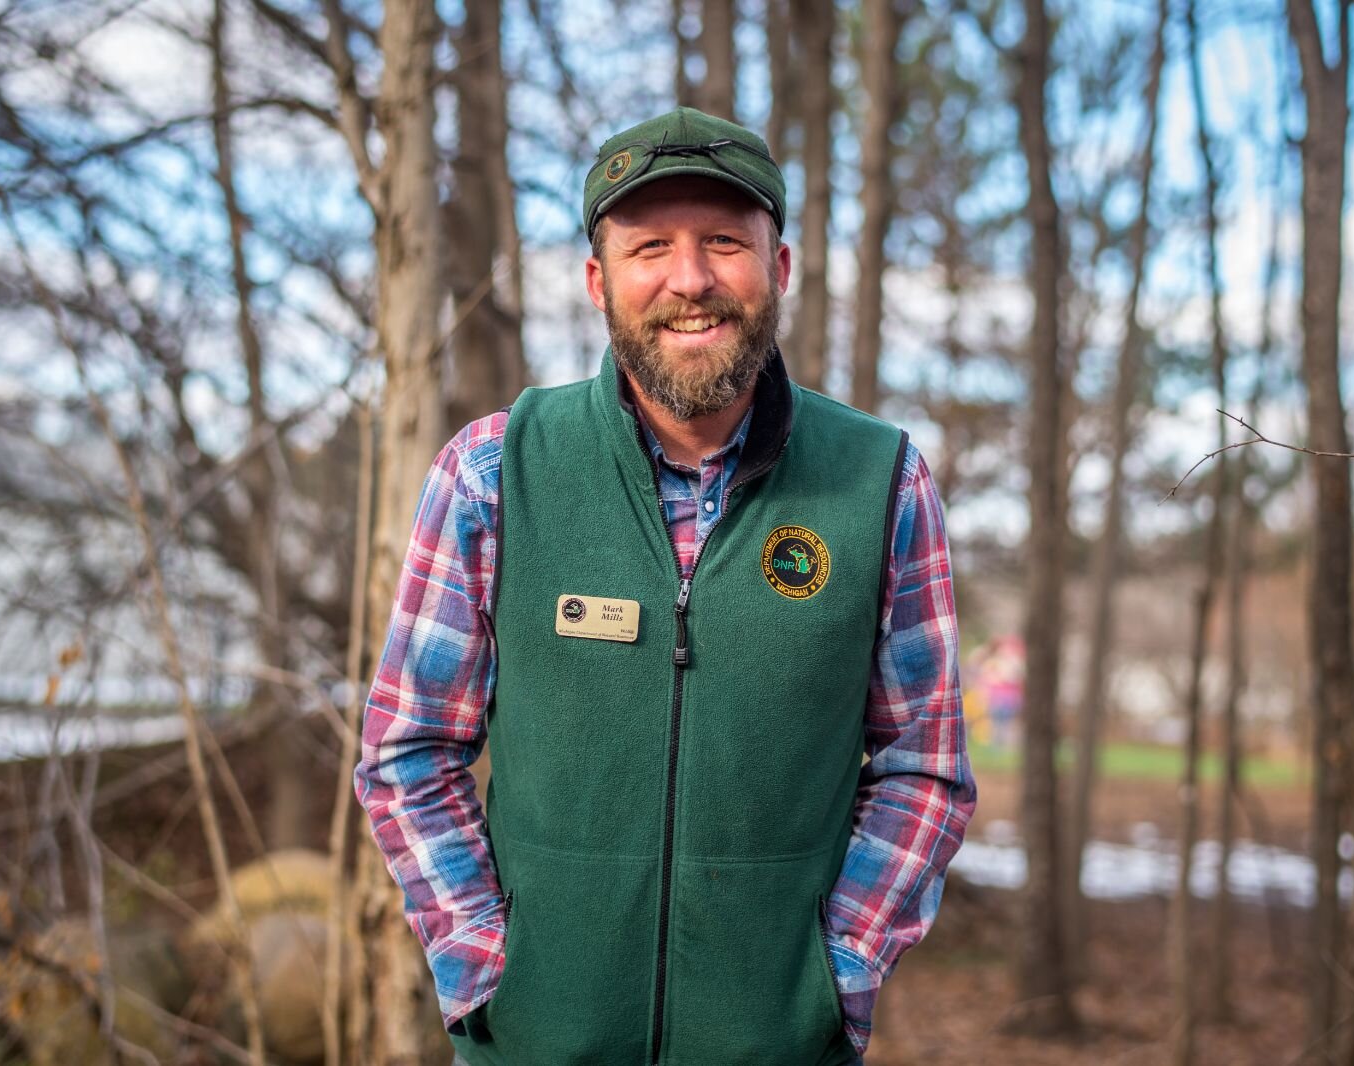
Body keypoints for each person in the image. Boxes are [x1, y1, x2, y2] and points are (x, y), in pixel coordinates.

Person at [356, 107, 977, 1066]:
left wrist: (838, 970)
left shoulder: (881, 481)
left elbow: (923, 770)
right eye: (652, 247)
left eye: (724, 241)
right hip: (534, 1049)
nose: (690, 279)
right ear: (601, 282)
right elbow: (408, 751)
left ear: (780, 267)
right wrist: (483, 962)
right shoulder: (492, 472)